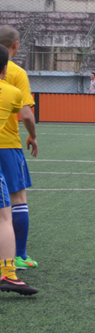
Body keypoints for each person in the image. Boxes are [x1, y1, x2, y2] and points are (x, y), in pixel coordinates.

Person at [0, 25, 39, 270]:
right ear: (16, 45)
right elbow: (26, 114)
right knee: (18, 199)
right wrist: (32, 136)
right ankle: (19, 256)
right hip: (6, 144)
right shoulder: (16, 73)